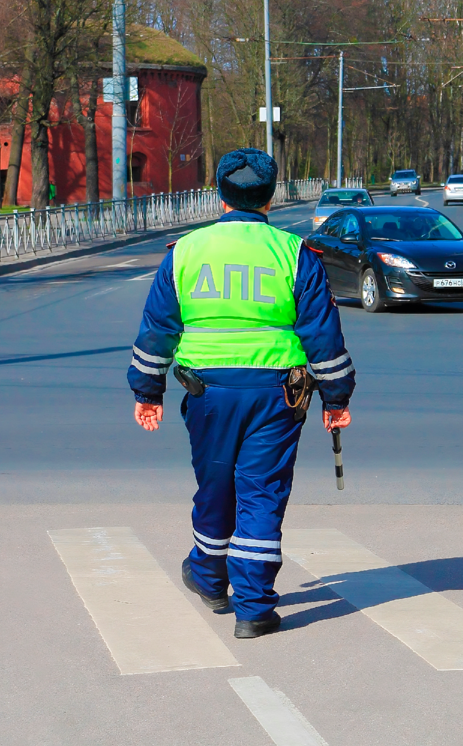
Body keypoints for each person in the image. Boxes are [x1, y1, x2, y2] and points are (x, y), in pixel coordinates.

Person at [127, 147, 355, 639]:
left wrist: (148, 391)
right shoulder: (295, 254)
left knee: (215, 485)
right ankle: (253, 609)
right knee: (262, 493)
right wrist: (336, 398)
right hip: (278, 396)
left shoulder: (185, 252)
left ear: (220, 194)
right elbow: (323, 335)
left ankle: (210, 578)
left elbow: (157, 330)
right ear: (270, 198)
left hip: (207, 394)